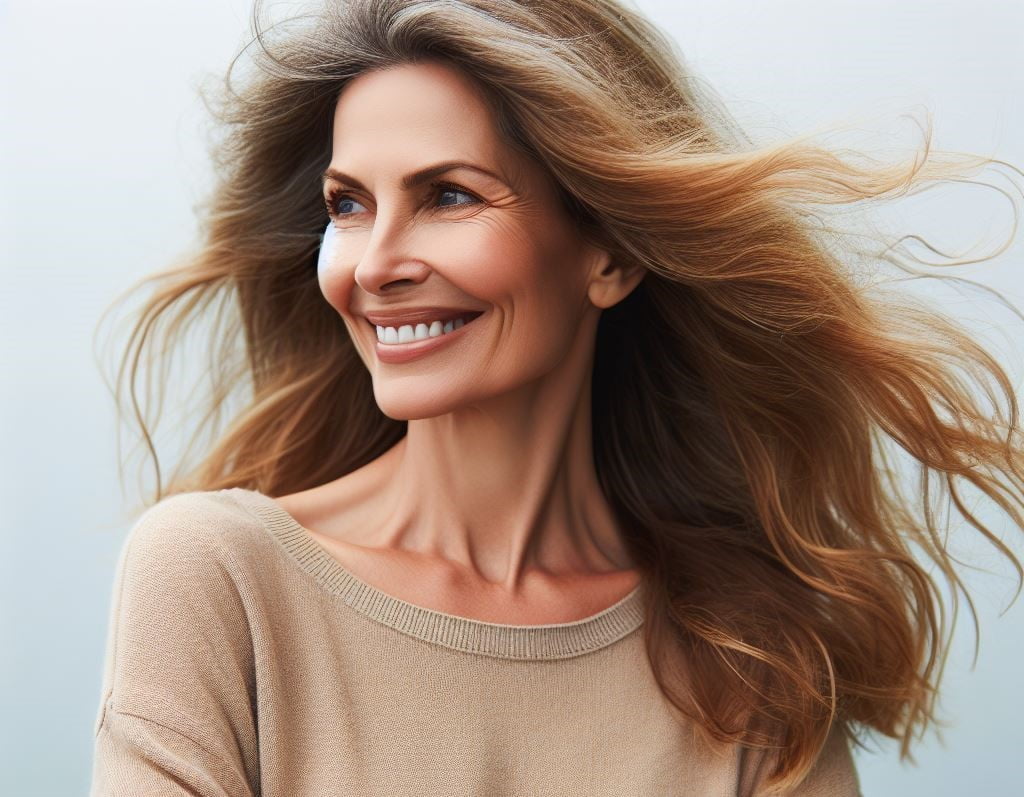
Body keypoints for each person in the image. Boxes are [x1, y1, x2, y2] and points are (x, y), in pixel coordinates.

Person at [89, 1, 1024, 795]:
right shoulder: (218, 578)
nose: (374, 265)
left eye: (448, 195)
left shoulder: (749, 661)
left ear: (610, 252)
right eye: (347, 204)